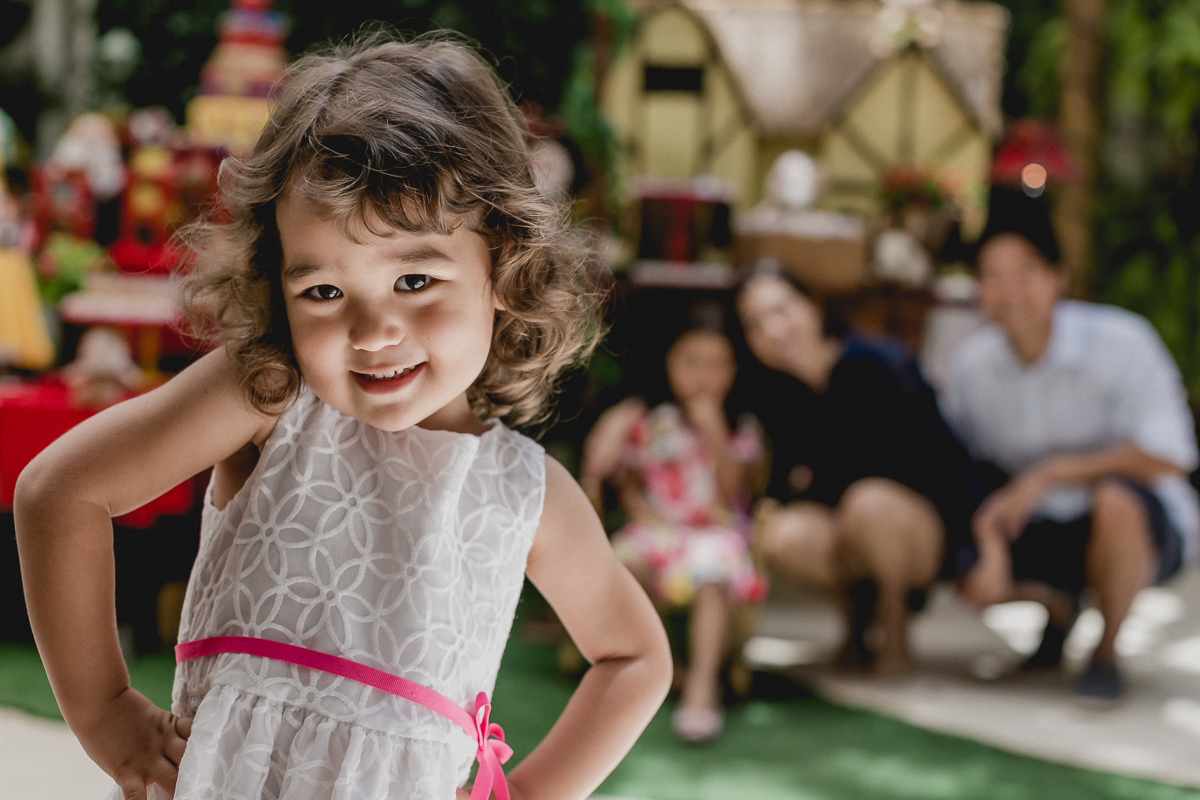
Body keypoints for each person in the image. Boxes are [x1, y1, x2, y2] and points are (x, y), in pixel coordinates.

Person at [15, 35, 671, 800]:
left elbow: (635, 659)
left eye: (415, 279)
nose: (372, 331)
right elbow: (60, 492)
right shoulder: (271, 397)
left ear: (504, 264)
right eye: (324, 292)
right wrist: (105, 713)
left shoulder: (528, 495)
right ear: (278, 284)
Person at [941, 186, 1198, 702]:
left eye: (1025, 271)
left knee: (1116, 501)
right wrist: (985, 542)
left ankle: (1105, 652)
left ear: (1058, 277)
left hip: (1139, 528)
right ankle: (1056, 607)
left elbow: (1171, 455)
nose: (1009, 290)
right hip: (1040, 528)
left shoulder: (1122, 342)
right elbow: (955, 465)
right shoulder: (972, 366)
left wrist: (1051, 472)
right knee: (947, 533)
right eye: (993, 275)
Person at [736, 264, 977, 675]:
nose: (773, 329)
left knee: (868, 504)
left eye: (781, 309)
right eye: (755, 323)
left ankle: (894, 625)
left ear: (813, 306)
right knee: (783, 532)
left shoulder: (878, 363)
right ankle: (855, 626)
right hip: (848, 531)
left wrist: (976, 554)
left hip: (917, 531)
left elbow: (944, 462)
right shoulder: (777, 394)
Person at [581, 306, 766, 743]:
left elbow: (734, 491)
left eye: (717, 364)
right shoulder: (648, 419)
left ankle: (701, 686)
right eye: (691, 361)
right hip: (656, 530)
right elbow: (617, 478)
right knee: (625, 566)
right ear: (668, 362)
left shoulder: (741, 426)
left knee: (713, 572)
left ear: (734, 370)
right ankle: (659, 671)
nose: (703, 375)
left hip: (714, 531)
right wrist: (618, 427)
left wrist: (714, 432)